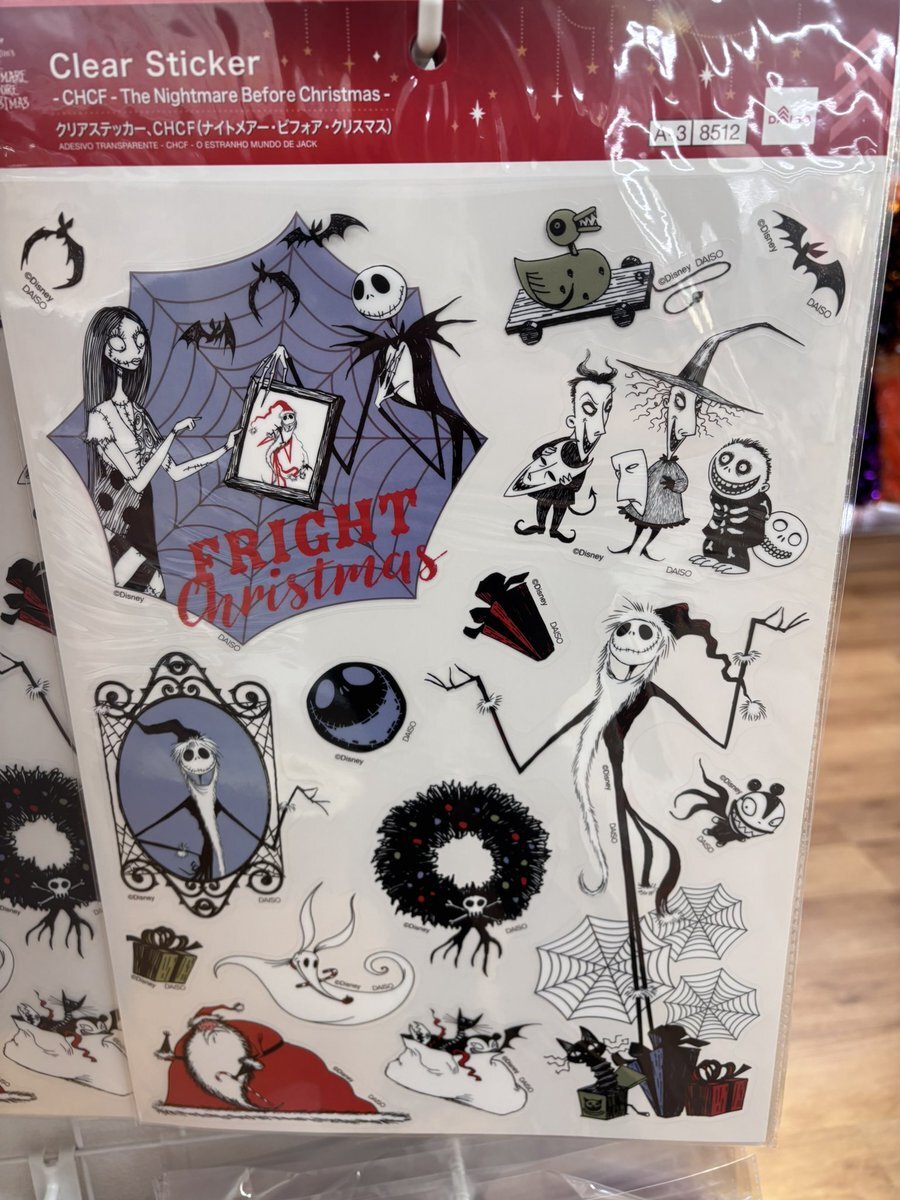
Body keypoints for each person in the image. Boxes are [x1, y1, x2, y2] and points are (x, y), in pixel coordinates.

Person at [83, 306, 237, 597]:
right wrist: (173, 435)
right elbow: (137, 480)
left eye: (140, 340)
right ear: (104, 348)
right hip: (113, 524)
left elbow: (175, 472)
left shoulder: (139, 415)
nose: (136, 349)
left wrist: (224, 449)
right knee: (132, 591)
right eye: (121, 340)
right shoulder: (100, 417)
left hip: (143, 524)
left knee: (151, 596)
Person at [252, 399, 310, 488]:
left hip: (285, 447)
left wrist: (305, 465)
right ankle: (273, 476)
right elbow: (276, 434)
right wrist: (271, 435)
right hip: (277, 447)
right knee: (269, 457)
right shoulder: (280, 431)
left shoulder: (293, 436)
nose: (288, 419)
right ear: (283, 421)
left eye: (290, 416)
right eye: (285, 417)